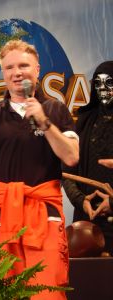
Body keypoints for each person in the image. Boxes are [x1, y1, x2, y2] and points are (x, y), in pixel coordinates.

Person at [0, 40, 79, 300]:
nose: (17, 72)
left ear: (37, 69)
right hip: (1, 219)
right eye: (9, 67)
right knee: (2, 291)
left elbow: (71, 157)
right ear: (3, 73)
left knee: (47, 291)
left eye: (23, 65)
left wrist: (44, 122)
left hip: (44, 217)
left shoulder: (55, 110)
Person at [62, 60, 113, 256]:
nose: (103, 89)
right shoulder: (83, 122)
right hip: (88, 221)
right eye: (98, 84)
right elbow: (67, 172)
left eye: (109, 83)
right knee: (89, 280)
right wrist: (81, 200)